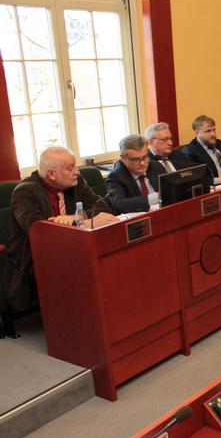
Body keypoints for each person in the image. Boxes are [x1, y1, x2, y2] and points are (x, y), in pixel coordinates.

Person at [3, 147, 116, 314]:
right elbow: (38, 231)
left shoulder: (77, 182)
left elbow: (102, 207)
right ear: (51, 174)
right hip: (35, 257)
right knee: (84, 268)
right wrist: (82, 222)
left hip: (75, 246)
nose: (76, 172)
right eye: (70, 168)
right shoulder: (25, 192)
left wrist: (75, 219)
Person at [106, 134, 166, 214]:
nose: (142, 163)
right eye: (135, 159)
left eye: (145, 157)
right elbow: (119, 205)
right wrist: (154, 197)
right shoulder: (116, 176)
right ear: (123, 159)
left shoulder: (156, 166)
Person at [181, 115, 221, 184]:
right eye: (208, 131)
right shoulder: (190, 151)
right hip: (215, 187)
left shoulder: (220, 143)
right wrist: (218, 180)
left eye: (214, 130)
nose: (213, 134)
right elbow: (195, 179)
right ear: (197, 132)